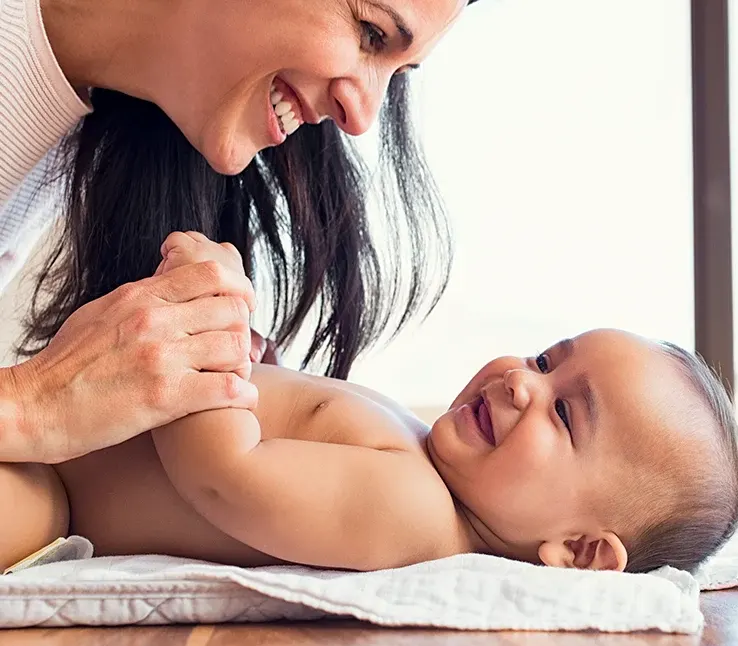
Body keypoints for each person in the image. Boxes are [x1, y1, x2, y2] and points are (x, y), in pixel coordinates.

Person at [0, 234, 738, 574]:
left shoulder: (415, 512)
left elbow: (226, 474)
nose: (523, 380)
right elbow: (287, 428)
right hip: (65, 434)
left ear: (580, 553)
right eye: (548, 358)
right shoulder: (422, 455)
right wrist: (269, 370)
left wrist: (210, 321)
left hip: (58, 490)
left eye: (563, 414)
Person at [0, 0, 477, 465]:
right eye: (371, 33)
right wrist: (34, 403)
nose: (363, 118)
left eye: (396, 74)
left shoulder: (84, 126)